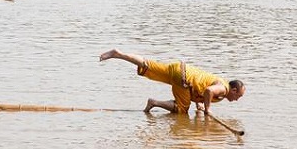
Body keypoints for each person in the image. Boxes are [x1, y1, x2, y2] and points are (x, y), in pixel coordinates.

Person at [99, 48, 245, 114]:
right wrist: (208, 109)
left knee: (147, 65)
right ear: (233, 90)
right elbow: (208, 91)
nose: (237, 99)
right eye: (238, 96)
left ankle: (118, 54)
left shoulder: (220, 81)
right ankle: (154, 102)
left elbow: (200, 88)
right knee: (182, 110)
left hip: (179, 68)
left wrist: (200, 105)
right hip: (183, 79)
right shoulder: (223, 89)